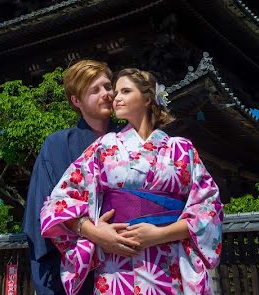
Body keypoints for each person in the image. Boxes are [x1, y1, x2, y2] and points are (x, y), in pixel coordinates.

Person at [40, 68, 223, 294]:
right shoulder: (104, 146)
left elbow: (209, 208)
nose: (115, 98)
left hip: (170, 261)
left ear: (147, 98)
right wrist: (96, 233)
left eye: (125, 91)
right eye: (116, 92)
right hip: (117, 263)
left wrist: (160, 234)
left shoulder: (181, 148)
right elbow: (60, 202)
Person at [24, 59, 120, 295]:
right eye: (95, 90)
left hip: (129, 262)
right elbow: (41, 211)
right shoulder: (57, 145)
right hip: (78, 269)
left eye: (108, 87)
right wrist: (93, 232)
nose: (106, 94)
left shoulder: (132, 139)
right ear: (76, 101)